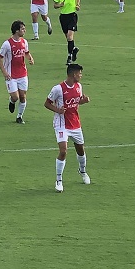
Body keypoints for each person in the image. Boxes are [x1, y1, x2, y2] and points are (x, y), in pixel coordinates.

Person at [44, 63, 91, 192]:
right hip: (61, 124)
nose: (81, 75)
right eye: (79, 73)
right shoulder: (58, 89)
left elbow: (77, 101)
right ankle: (59, 180)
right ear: (73, 74)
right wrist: (58, 110)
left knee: (80, 149)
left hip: (75, 123)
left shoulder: (78, 86)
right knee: (63, 151)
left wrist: (84, 101)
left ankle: (82, 171)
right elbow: (47, 103)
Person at [0, 20, 34, 124]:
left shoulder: (24, 42)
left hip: (23, 74)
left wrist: (30, 58)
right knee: (15, 97)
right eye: (22, 28)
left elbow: (26, 53)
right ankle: (12, 101)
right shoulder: (7, 44)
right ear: (16, 30)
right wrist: (4, 73)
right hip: (11, 75)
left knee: (23, 96)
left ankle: (19, 117)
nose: (24, 30)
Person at [53, 0, 81, 65]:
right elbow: (55, 5)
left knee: (69, 37)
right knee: (69, 39)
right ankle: (74, 49)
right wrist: (60, 5)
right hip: (63, 17)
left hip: (72, 16)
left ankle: (69, 57)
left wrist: (77, 5)